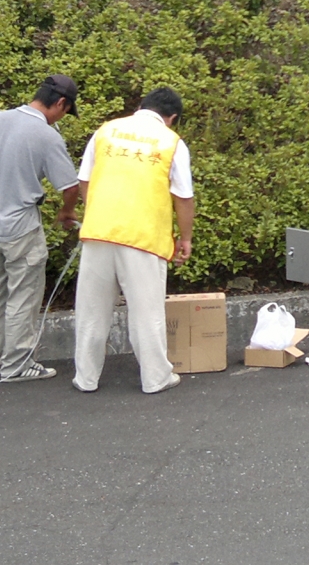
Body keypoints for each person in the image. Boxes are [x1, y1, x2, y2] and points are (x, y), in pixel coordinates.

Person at [63, 86, 196, 394]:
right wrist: (185, 238)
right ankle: (155, 378)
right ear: (172, 117)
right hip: (143, 238)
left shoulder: (106, 131)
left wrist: (96, 211)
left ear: (141, 106)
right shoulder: (171, 142)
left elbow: (84, 180)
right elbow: (183, 197)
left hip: (98, 232)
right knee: (146, 312)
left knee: (91, 311)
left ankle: (86, 378)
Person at [0, 72, 79, 382]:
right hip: (21, 227)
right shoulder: (47, 136)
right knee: (23, 295)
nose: (61, 118)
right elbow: (69, 185)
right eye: (65, 111)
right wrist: (66, 213)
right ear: (60, 103)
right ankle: (17, 364)